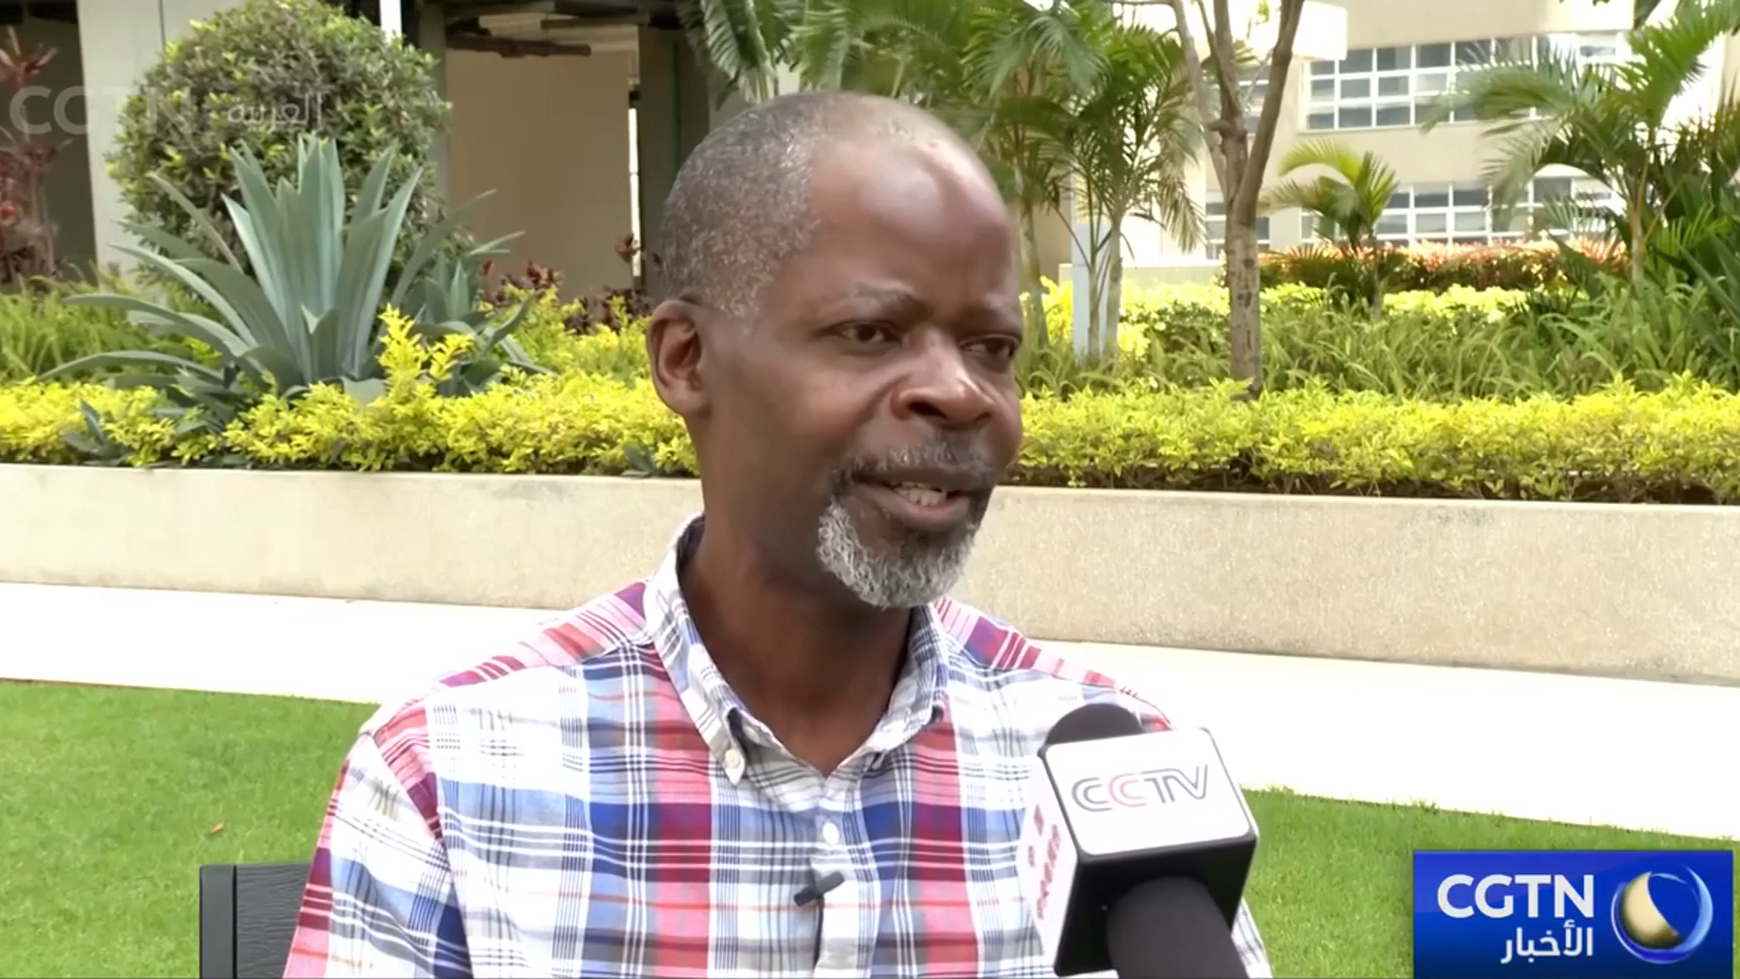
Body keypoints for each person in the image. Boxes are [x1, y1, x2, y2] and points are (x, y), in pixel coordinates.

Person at [282, 90, 1271, 978]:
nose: (961, 392)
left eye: (992, 347)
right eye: (871, 333)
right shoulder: (450, 775)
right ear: (687, 358)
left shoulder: (1117, 778)